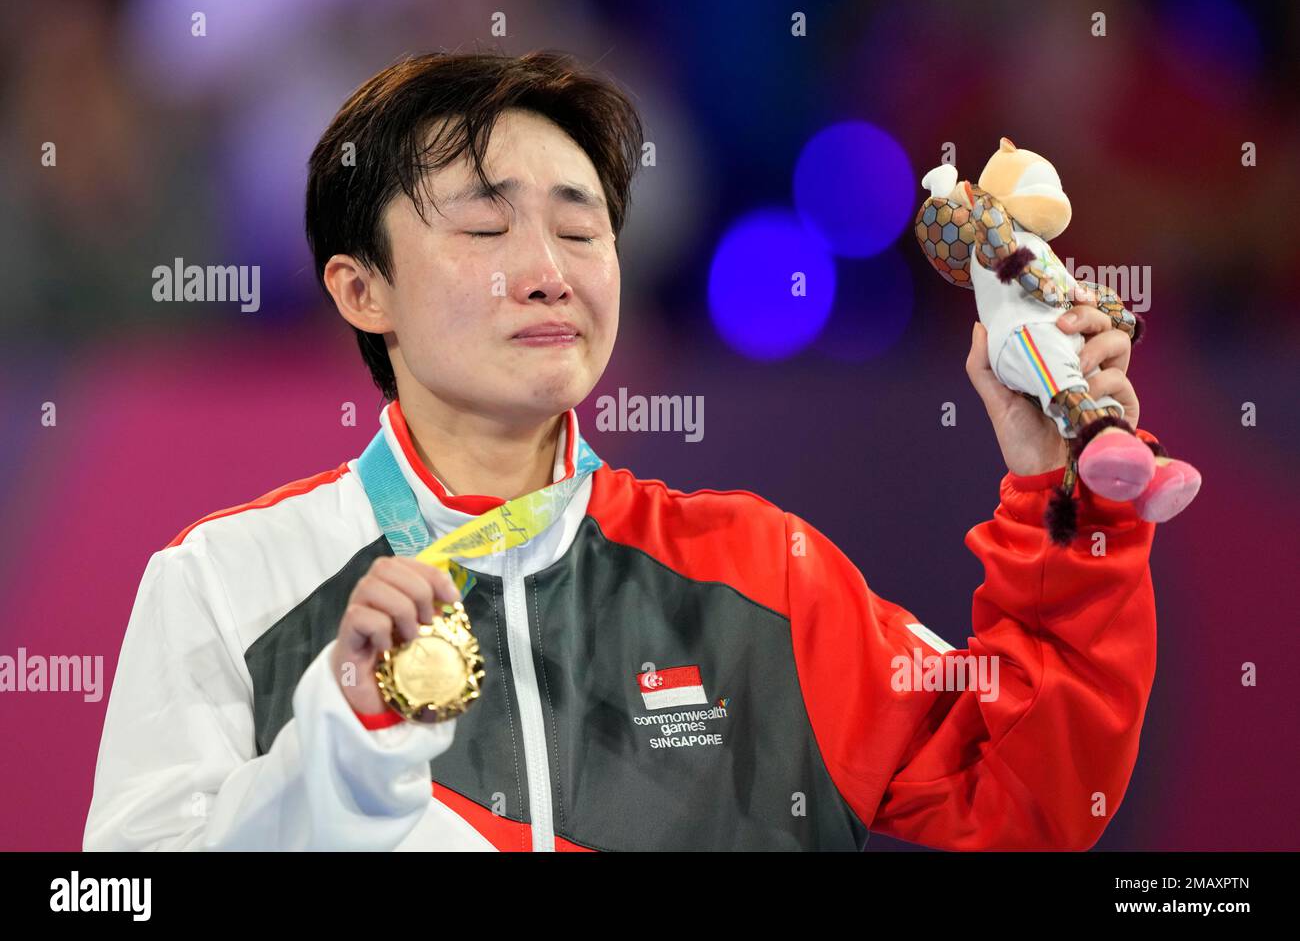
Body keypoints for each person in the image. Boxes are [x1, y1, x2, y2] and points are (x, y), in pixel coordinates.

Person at [84, 49, 1159, 852]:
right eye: (485, 226)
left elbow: (1034, 794)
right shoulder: (227, 584)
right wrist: (342, 744)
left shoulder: (760, 573)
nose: (551, 269)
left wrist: (1062, 502)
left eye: (581, 225)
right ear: (361, 289)